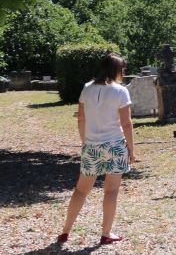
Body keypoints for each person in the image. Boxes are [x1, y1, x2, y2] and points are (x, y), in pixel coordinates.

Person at [57, 53, 135, 245]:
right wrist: (131, 149)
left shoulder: (87, 88)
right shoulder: (120, 91)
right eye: (122, 69)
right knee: (111, 191)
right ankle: (106, 233)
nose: (123, 72)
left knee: (80, 191)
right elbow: (126, 123)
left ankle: (66, 231)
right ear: (117, 70)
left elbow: (81, 118)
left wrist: (85, 141)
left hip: (91, 145)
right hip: (115, 145)